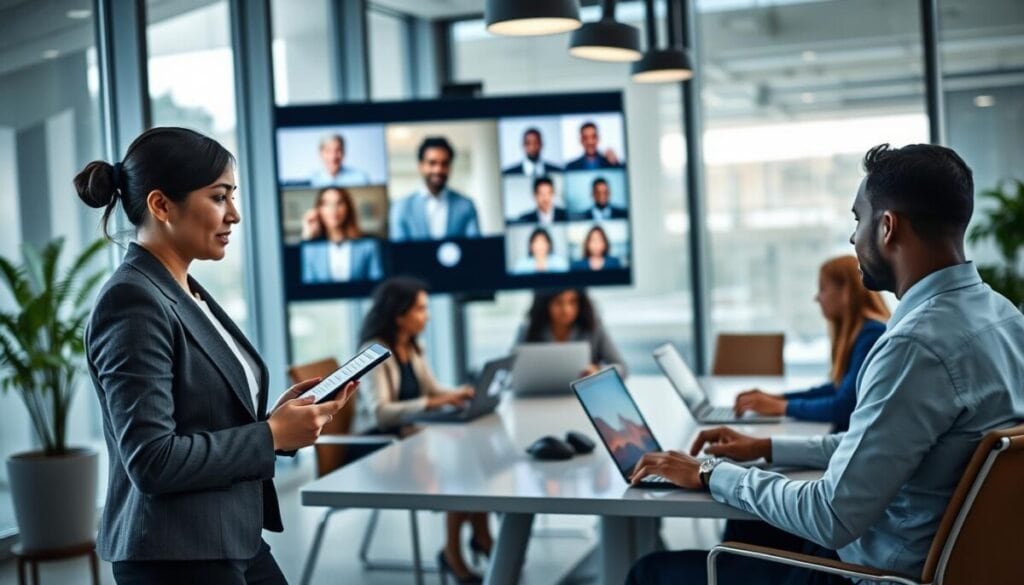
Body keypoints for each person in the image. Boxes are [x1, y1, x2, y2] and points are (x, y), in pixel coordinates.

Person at [626, 143, 1024, 585]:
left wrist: (708, 470)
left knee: (651, 571)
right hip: (942, 560)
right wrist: (765, 449)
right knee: (749, 522)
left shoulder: (916, 347)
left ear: (887, 227)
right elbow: (881, 447)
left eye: (859, 219)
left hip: (872, 574)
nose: (854, 238)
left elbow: (831, 515)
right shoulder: (1006, 317)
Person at [77, 127, 357, 585]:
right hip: (176, 555)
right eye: (219, 197)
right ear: (161, 205)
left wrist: (278, 425)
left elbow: (202, 415)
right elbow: (152, 460)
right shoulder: (132, 301)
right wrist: (268, 436)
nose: (235, 215)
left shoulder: (182, 290)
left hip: (231, 538)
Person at [352, 277, 491, 584]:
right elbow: (381, 412)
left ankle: (478, 537)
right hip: (376, 447)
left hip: (408, 439)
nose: (427, 316)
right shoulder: (374, 351)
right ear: (399, 314)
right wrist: (433, 402)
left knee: (473, 462)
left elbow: (433, 390)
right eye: (420, 309)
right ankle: (459, 551)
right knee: (461, 471)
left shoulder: (413, 347)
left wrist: (458, 394)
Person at [733, 255, 889, 431]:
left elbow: (844, 407)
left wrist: (781, 407)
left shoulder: (871, 334)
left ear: (845, 291)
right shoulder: (863, 331)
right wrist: (778, 398)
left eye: (822, 289)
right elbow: (838, 389)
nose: (817, 298)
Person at [514, 288, 628, 377]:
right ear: (545, 305)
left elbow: (621, 368)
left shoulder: (593, 326)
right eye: (558, 302)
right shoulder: (527, 329)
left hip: (580, 397)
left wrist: (598, 371)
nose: (566, 310)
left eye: (572, 302)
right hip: (534, 399)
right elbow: (510, 371)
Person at [389, 137, 481, 241]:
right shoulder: (402, 207)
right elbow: (398, 252)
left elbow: (475, 248)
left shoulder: (466, 206)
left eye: (444, 163)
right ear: (421, 166)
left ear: (450, 167)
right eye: (432, 163)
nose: (438, 169)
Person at [299, 187, 383, 283]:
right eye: (327, 204)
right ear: (318, 210)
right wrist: (306, 236)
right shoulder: (310, 248)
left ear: (347, 208)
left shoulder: (369, 244)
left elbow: (377, 284)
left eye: (339, 203)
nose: (333, 210)